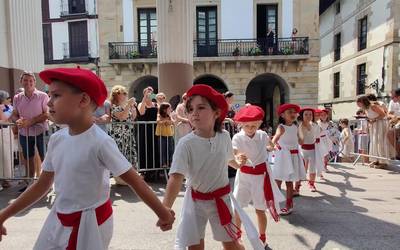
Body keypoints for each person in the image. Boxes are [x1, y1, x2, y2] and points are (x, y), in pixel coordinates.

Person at [0, 67, 175, 249]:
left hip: (90, 225)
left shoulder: (100, 143)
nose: (49, 103)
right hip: (59, 218)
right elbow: (42, 185)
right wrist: (4, 214)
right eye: (49, 95)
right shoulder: (56, 139)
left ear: (83, 100)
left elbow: (135, 180)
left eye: (56, 96)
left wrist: (163, 213)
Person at [162, 84, 261, 250]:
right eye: (190, 109)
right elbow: (176, 177)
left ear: (217, 113)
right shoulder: (185, 144)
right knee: (194, 245)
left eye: (201, 107)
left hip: (221, 200)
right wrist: (165, 209)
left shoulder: (224, 137)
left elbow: (229, 159)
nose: (194, 113)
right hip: (195, 202)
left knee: (231, 244)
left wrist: (239, 163)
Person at [231, 105, 284, 247]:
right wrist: (238, 157)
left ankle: (262, 236)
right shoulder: (237, 137)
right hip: (244, 176)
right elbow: (235, 152)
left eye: (253, 126)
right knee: (238, 207)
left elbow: (270, 145)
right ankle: (237, 234)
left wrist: (275, 140)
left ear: (259, 123)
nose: (250, 129)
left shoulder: (262, 135)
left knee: (260, 209)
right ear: (241, 124)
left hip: (261, 176)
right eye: (247, 126)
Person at [9, 71, 49, 192]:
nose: (28, 83)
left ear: (35, 82)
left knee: (45, 158)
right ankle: (30, 185)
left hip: (41, 132)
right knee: (28, 158)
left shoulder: (43, 96)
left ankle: (47, 184)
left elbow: (46, 114)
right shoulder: (17, 97)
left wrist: (31, 122)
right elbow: (14, 114)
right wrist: (18, 121)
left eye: (31, 80)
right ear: (21, 82)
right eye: (25, 80)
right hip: (24, 133)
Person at [271, 104, 306, 215]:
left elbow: (300, 141)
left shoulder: (296, 127)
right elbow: (275, 139)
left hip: (293, 156)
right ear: (282, 115)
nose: (292, 114)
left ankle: (289, 205)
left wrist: (301, 133)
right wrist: (275, 145)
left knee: (290, 181)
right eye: (289, 112)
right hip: (283, 157)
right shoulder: (281, 127)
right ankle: (274, 204)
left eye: (294, 112)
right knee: (278, 181)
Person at [357, 95, 392, 167]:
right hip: (373, 126)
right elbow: (370, 116)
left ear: (363, 102)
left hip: (380, 125)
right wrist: (369, 120)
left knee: (380, 142)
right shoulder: (365, 108)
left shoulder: (373, 106)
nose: (358, 105)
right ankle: (375, 160)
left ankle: (383, 161)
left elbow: (383, 114)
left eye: (359, 103)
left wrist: (374, 120)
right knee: (374, 142)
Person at [297, 108, 324, 193]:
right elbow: (299, 139)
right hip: (302, 149)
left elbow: (318, 136)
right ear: (302, 115)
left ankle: (311, 184)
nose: (308, 116)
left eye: (310, 114)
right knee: (300, 168)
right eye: (306, 114)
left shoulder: (315, 126)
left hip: (313, 149)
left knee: (312, 168)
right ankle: (297, 186)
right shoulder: (299, 125)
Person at [137, 87, 159, 178]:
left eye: (151, 92)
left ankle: (155, 170)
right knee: (144, 147)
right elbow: (141, 112)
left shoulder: (156, 104)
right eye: (147, 92)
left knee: (155, 148)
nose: (149, 94)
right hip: (144, 130)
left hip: (155, 129)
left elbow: (161, 113)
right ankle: (144, 171)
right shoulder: (141, 104)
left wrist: (157, 98)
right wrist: (144, 98)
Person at [0, 91, 13, 190]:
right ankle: (4, 180)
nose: (9, 99)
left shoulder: (7, 107)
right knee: (4, 157)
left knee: (5, 156)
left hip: (5, 133)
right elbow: (5, 120)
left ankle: (5, 180)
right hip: (2, 134)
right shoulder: (2, 107)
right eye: (7, 98)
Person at [155, 102, 175, 168]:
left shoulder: (169, 116)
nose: (170, 110)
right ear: (164, 109)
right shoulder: (159, 115)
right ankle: (163, 163)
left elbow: (173, 122)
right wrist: (165, 122)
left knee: (171, 149)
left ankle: (170, 162)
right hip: (161, 135)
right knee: (162, 150)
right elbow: (158, 121)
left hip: (169, 135)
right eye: (169, 109)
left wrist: (169, 122)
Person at [387, 89, 400, 158]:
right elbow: (389, 114)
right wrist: (394, 117)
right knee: (390, 134)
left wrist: (397, 118)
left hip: (398, 122)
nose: (391, 99)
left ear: (398, 96)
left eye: (392, 97)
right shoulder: (392, 102)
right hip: (397, 123)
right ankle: (398, 152)